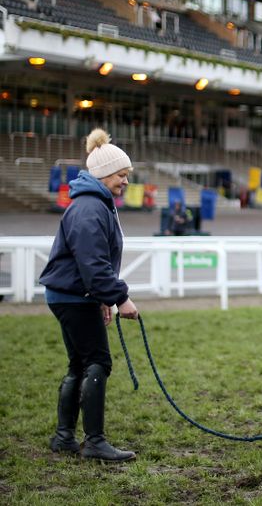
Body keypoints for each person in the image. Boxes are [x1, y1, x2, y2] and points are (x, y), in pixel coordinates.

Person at [39, 128, 138, 463]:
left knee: (79, 363)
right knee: (98, 362)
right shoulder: (90, 208)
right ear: (104, 173)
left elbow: (91, 265)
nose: (125, 181)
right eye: (122, 175)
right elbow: (93, 264)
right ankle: (94, 441)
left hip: (71, 295)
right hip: (72, 295)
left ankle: (64, 437)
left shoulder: (91, 204)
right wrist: (119, 297)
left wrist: (101, 298)